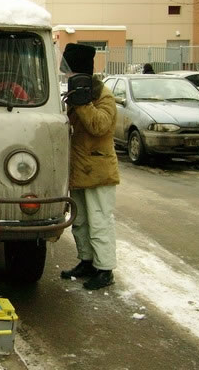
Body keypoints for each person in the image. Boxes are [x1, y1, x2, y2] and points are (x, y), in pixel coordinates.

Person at [60, 43, 120, 290]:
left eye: (70, 71)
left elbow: (100, 126)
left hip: (98, 170)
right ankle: (86, 261)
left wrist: (84, 103)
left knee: (99, 221)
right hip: (79, 169)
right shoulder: (77, 92)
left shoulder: (102, 94)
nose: (67, 76)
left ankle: (105, 269)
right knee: (81, 220)